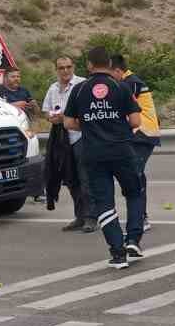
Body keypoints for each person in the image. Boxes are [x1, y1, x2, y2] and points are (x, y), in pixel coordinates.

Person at [63, 46, 148, 269]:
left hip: (93, 153)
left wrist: (91, 124)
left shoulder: (79, 90)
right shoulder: (121, 87)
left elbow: (69, 123)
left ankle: (117, 253)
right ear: (110, 64)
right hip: (122, 151)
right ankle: (133, 241)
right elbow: (136, 122)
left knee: (104, 202)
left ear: (89, 65)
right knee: (134, 193)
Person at [42, 56, 91, 232]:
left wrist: (67, 117)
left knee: (85, 178)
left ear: (74, 67)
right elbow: (46, 111)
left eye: (68, 67)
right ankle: (80, 216)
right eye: (61, 68)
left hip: (80, 136)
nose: (65, 71)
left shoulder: (83, 85)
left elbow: (89, 109)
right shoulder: (53, 88)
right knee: (70, 179)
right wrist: (52, 117)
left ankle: (91, 217)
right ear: (56, 69)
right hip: (62, 138)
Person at [109, 54, 159, 182]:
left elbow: (115, 106)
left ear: (117, 71)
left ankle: (137, 200)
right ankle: (138, 200)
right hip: (141, 133)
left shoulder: (131, 83)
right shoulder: (131, 81)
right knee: (136, 175)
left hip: (143, 133)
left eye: (109, 75)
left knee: (133, 175)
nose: (108, 79)